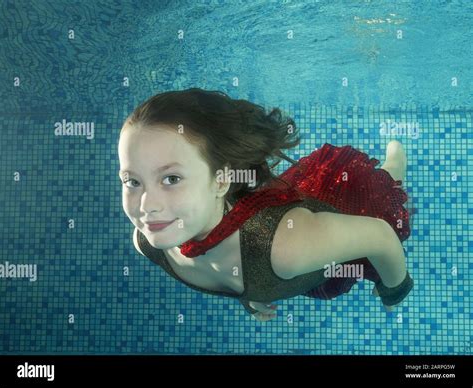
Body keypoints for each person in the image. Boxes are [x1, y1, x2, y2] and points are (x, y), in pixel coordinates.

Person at [118, 88, 416, 322]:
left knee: (386, 190)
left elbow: (381, 237)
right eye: (132, 181)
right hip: (289, 225)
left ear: (221, 181)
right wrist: (250, 291)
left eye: (171, 179)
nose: (147, 206)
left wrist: (394, 291)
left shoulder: (288, 248)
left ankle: (395, 159)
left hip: (342, 202)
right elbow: (225, 262)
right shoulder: (149, 241)